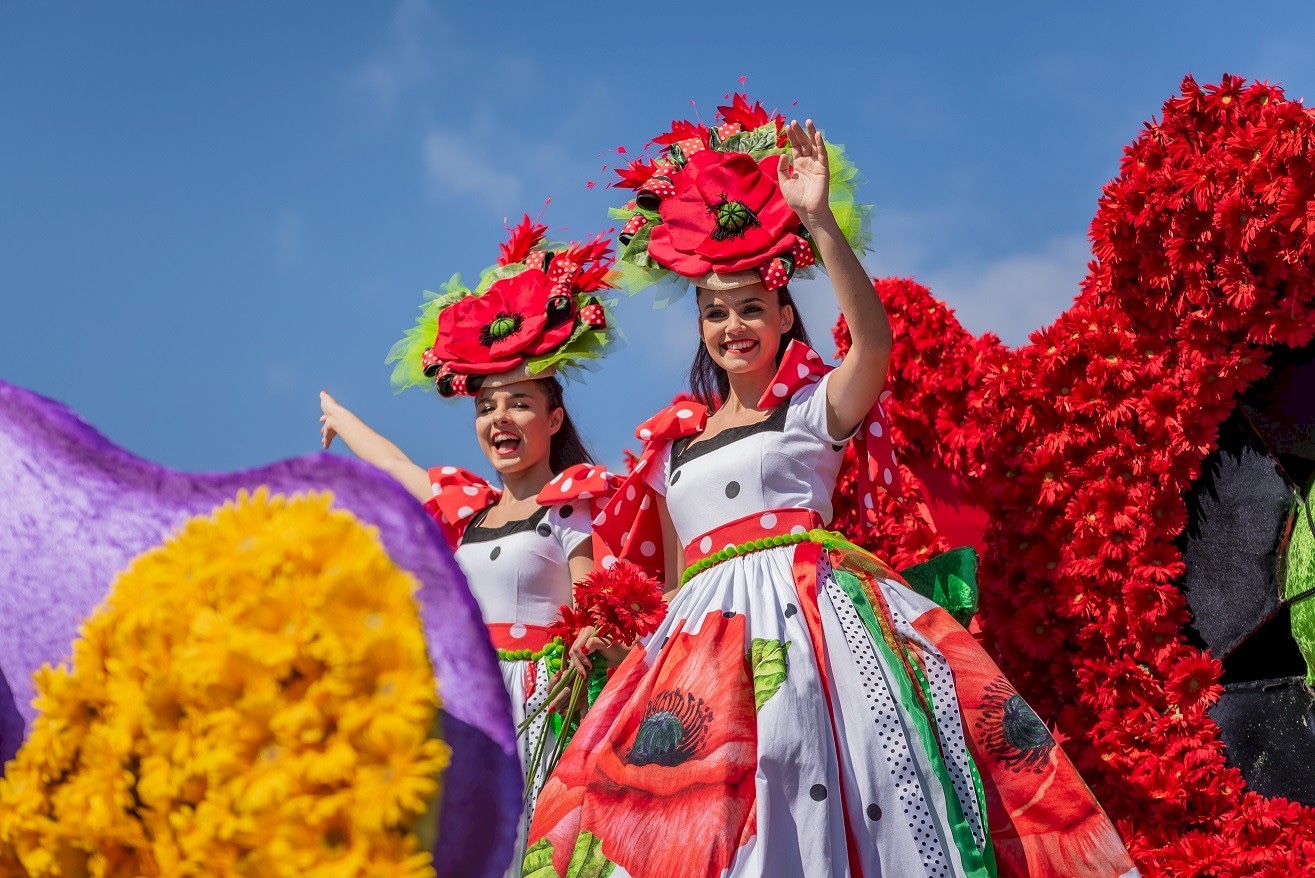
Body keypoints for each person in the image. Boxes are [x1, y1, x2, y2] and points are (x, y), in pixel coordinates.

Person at [525, 100, 1138, 878]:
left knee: (820, 786)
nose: (732, 325)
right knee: (690, 828)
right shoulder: (670, 449)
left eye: (751, 307)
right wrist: (623, 650)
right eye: (715, 314)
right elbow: (676, 582)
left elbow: (873, 342)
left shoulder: (812, 410)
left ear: (785, 313)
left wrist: (818, 221)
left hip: (814, 636)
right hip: (697, 657)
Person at [320, 217, 618, 878]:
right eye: (486, 408)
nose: (499, 420)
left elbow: (598, 604)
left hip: (545, 702)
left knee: (534, 850)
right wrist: (342, 421)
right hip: (468, 702)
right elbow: (399, 468)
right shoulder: (469, 507)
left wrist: (591, 649)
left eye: (518, 404)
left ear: (553, 419)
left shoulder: (570, 505)